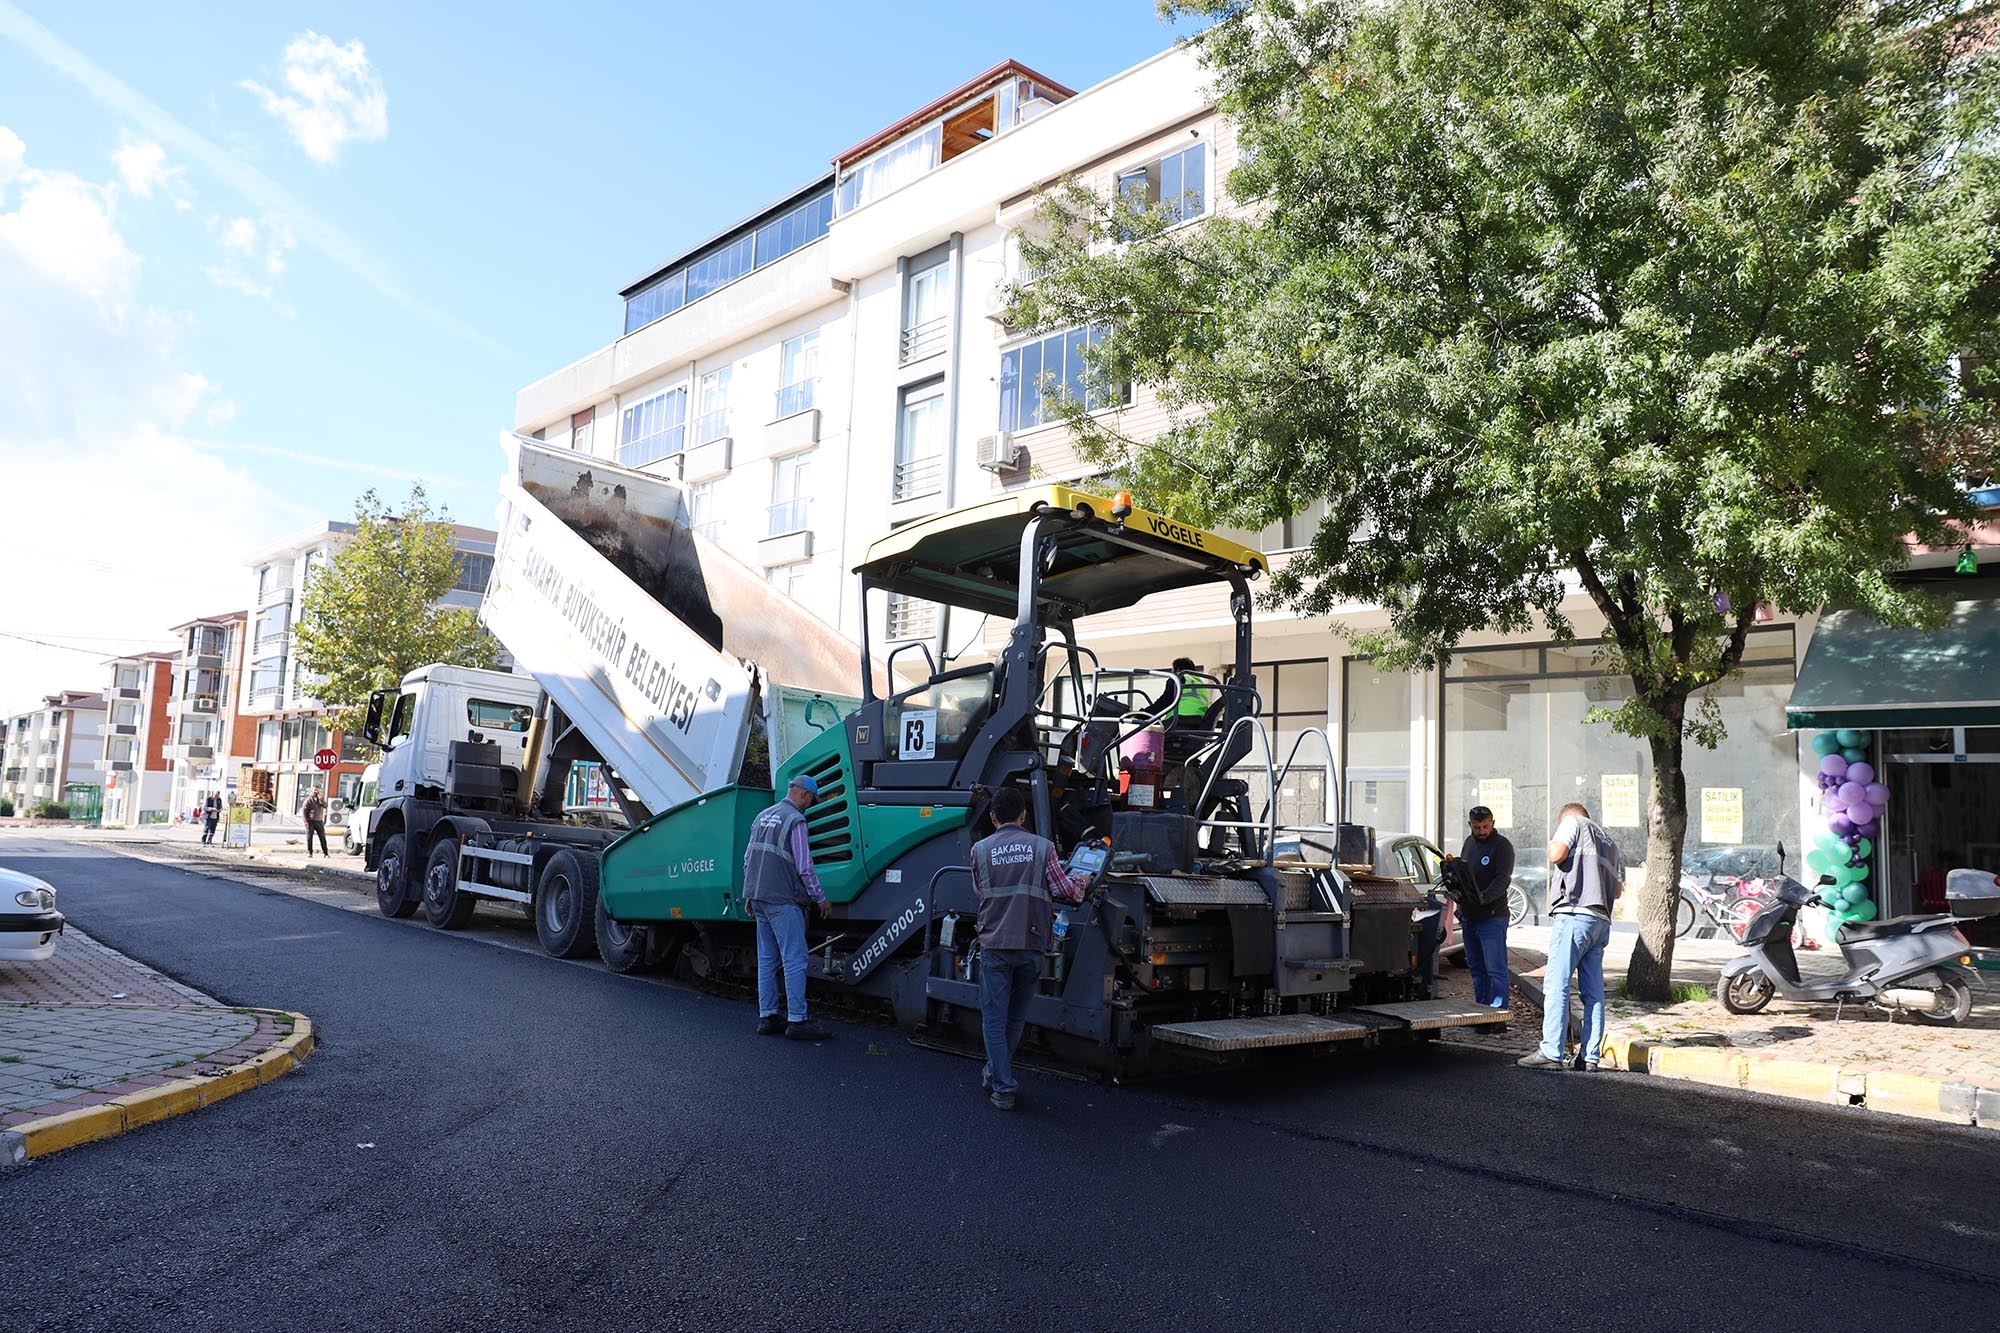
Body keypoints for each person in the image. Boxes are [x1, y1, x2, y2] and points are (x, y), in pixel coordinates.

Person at [968, 786, 1089, 1110]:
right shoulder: (1042, 847)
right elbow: (1068, 892)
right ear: (1023, 816)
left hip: (994, 942)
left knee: (993, 1019)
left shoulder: (979, 850)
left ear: (993, 817)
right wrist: (1084, 881)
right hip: (1031, 942)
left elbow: (981, 891)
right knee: (1016, 1018)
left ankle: (1002, 1084)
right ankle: (996, 1074)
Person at [1519, 802, 1624, 1072]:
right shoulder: (1609, 841)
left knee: (1556, 983)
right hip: (1600, 921)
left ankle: (1551, 1051)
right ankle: (1589, 1056)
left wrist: (1555, 841)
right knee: (1593, 993)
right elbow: (1618, 891)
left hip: (1575, 914)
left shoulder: (1573, 822)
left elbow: (1556, 853)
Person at [741, 775, 832, 1041]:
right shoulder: (796, 821)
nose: (810, 807)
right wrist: (821, 898)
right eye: (811, 801)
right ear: (804, 795)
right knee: (794, 957)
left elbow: (749, 859)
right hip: (782, 898)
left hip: (759, 897)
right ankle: (797, 1021)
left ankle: (767, 1017)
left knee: (767, 959)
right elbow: (804, 867)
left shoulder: (763, 816)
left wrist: (751, 895)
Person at [1457, 804, 1514, 1010]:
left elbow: (1502, 879)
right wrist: (1460, 902)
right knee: (1477, 969)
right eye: (1477, 827)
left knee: (1495, 970)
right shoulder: (1469, 844)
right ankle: (1482, 1011)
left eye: (1485, 827)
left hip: (1492, 917)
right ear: (1470, 825)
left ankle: (1498, 1013)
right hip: (1470, 916)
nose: (1481, 831)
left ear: (1493, 824)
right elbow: (1463, 875)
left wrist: (1484, 897)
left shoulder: (1502, 846)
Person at [1170, 656, 1212, 724]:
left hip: (1177, 720)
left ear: (1177, 670)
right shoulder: (1201, 683)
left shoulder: (1177, 679)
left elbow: (1164, 702)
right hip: (1199, 721)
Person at [302, 789, 329, 857]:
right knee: (309, 838)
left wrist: (321, 799)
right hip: (310, 821)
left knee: (322, 837)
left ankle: (325, 853)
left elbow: (326, 806)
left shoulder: (320, 800)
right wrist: (305, 821)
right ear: (312, 791)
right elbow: (304, 811)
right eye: (314, 791)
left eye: (317, 791)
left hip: (319, 821)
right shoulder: (308, 800)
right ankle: (310, 853)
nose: (316, 792)